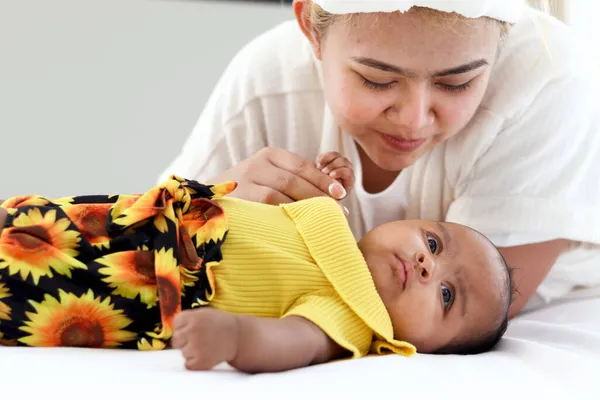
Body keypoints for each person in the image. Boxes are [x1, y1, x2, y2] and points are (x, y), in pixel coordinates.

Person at [158, 0, 600, 317]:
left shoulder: (551, 82)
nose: (413, 120)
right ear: (311, 28)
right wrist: (204, 212)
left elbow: (449, 319)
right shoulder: (265, 80)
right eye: (376, 80)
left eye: (456, 83)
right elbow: (132, 250)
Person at [0, 166, 513, 373]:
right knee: (30, 221)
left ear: (420, 348)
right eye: (432, 241)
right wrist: (327, 172)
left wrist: (236, 337)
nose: (427, 265)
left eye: (447, 296)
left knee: (33, 288)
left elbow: (294, 340)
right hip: (150, 217)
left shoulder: (356, 316)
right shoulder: (336, 222)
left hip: (150, 286)